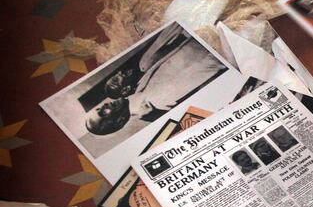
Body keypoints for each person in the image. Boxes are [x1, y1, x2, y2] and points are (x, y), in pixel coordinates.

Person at [85, 25, 226, 136]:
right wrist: (222, 42)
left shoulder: (140, 89)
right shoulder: (157, 100)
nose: (104, 106)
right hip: (219, 42)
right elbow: (205, 68)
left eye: (99, 108)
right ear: (120, 121)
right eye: (103, 113)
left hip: (205, 35)